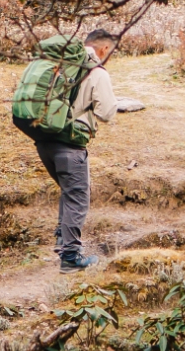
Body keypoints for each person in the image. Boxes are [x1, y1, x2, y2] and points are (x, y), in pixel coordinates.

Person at [22, 29, 122, 273]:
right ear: (104, 49)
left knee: (69, 192)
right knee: (78, 198)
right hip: (70, 144)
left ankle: (61, 240)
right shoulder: (95, 71)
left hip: (43, 140)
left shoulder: (60, 63)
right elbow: (107, 112)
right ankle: (70, 257)